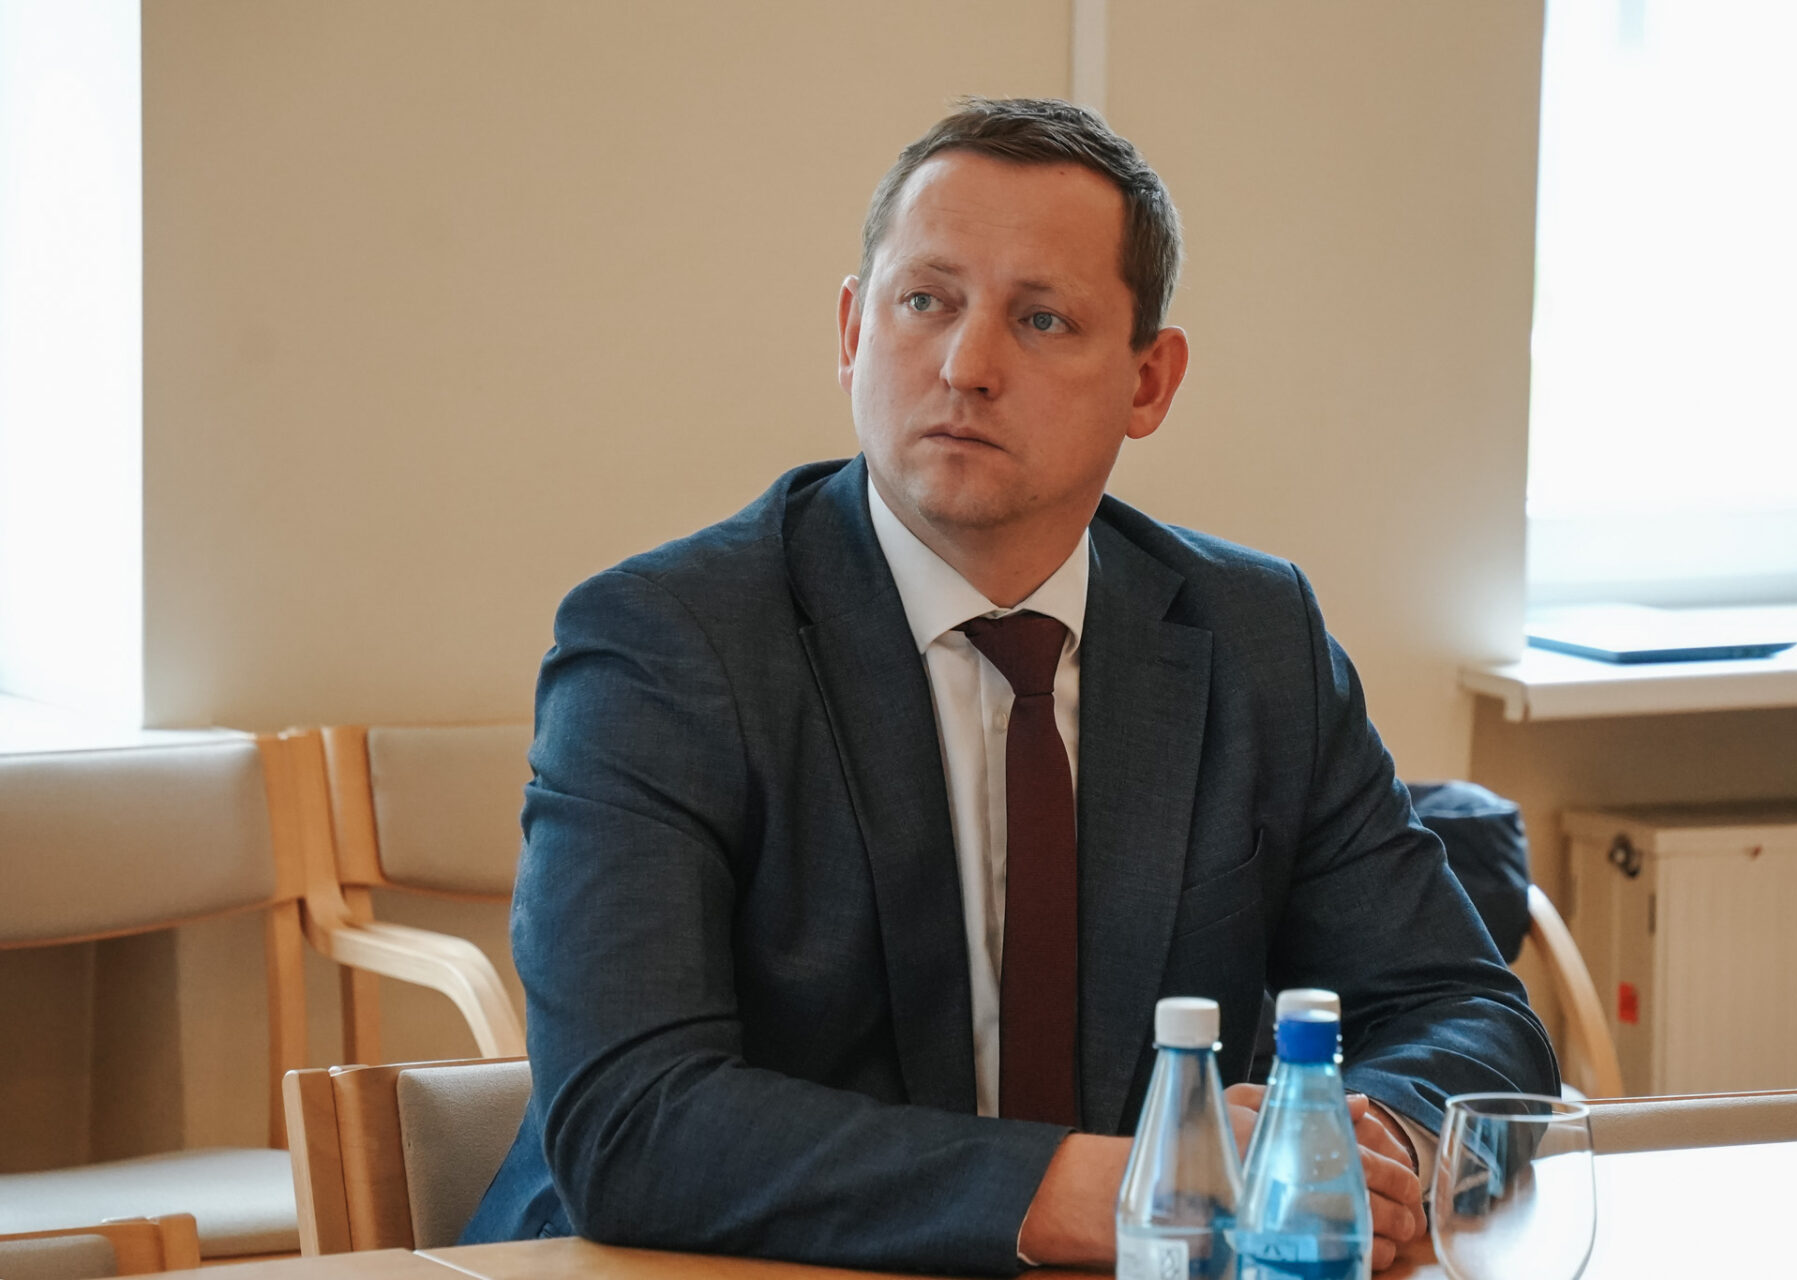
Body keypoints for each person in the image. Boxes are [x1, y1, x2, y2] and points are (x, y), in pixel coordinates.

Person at [464, 97, 1556, 1274]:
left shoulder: (1252, 636)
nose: (967, 366)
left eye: (1042, 319)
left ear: (1149, 383)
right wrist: (1107, 1184)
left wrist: (1365, 1145)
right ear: (852, 330)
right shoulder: (668, 642)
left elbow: (1469, 1012)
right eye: (925, 302)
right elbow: (630, 1118)